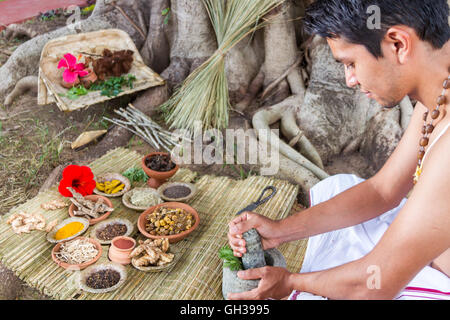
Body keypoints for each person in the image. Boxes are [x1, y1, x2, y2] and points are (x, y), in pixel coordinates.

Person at [227, 0, 450, 300]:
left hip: (427, 281)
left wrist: (292, 283)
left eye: (351, 63)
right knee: (338, 186)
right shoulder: (438, 89)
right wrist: (280, 230)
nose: (350, 80)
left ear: (397, 43)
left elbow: (377, 281)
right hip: (417, 259)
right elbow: (384, 191)